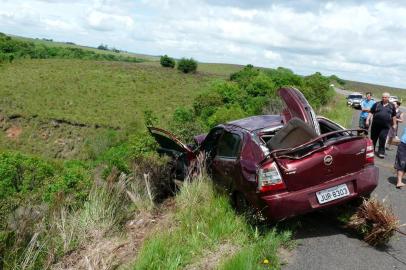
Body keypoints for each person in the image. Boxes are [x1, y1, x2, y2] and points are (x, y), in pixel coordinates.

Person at [369, 92, 397, 158]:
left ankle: (381, 152)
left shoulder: (391, 106)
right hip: (375, 125)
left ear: (388, 98)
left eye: (385, 97)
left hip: (385, 126)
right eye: (383, 97)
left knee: (382, 138)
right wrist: (368, 120)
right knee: (373, 138)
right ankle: (371, 151)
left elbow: (394, 116)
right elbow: (371, 112)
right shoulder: (377, 104)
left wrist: (395, 124)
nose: (383, 98)